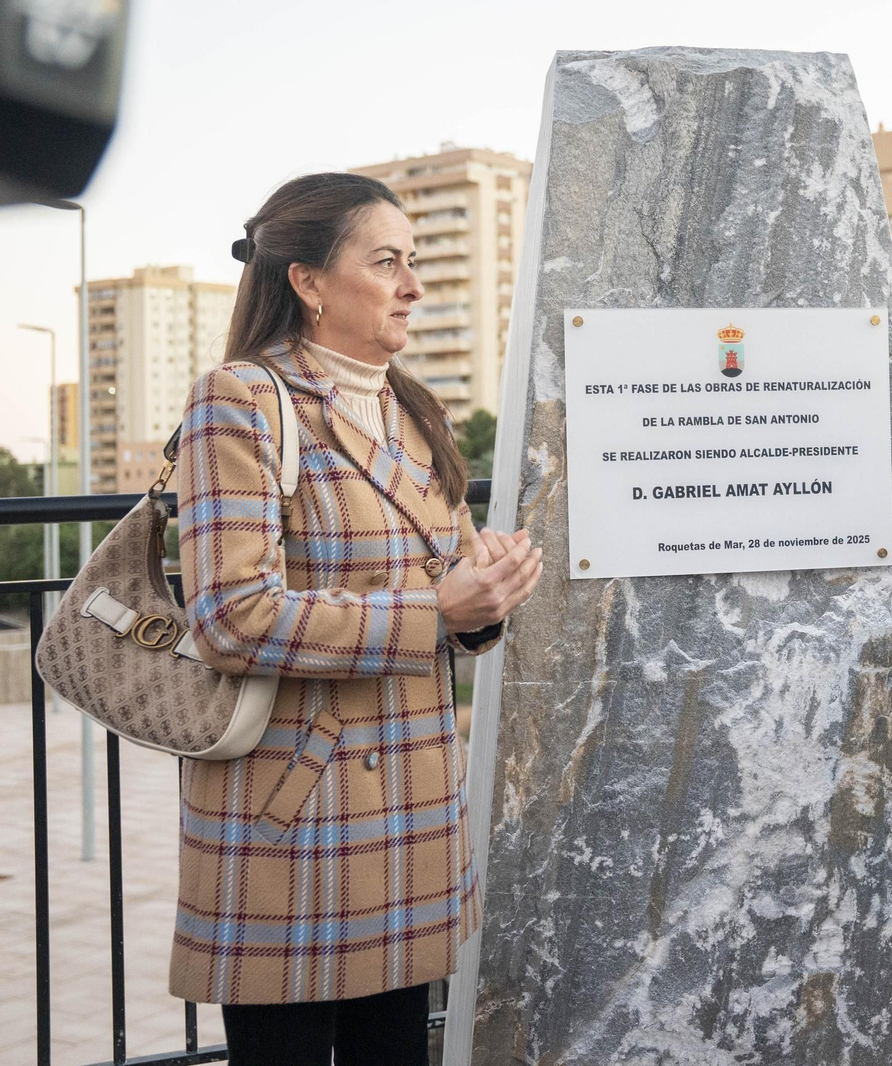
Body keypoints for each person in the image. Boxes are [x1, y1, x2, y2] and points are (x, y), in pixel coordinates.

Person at [171, 173, 542, 1066]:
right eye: (387, 262)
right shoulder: (241, 398)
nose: (414, 284)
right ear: (308, 280)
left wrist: (483, 597)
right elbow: (230, 614)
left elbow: (447, 597)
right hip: (294, 812)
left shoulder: (412, 407)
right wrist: (432, 609)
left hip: (410, 809)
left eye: (413, 261)